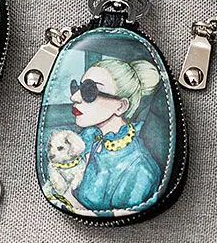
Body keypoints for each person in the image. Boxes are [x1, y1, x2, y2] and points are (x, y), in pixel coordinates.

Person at [66, 57, 163, 213]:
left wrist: (68, 198)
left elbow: (118, 217)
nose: (74, 97)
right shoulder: (89, 135)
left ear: (121, 106)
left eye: (89, 91)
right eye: (76, 87)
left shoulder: (139, 169)